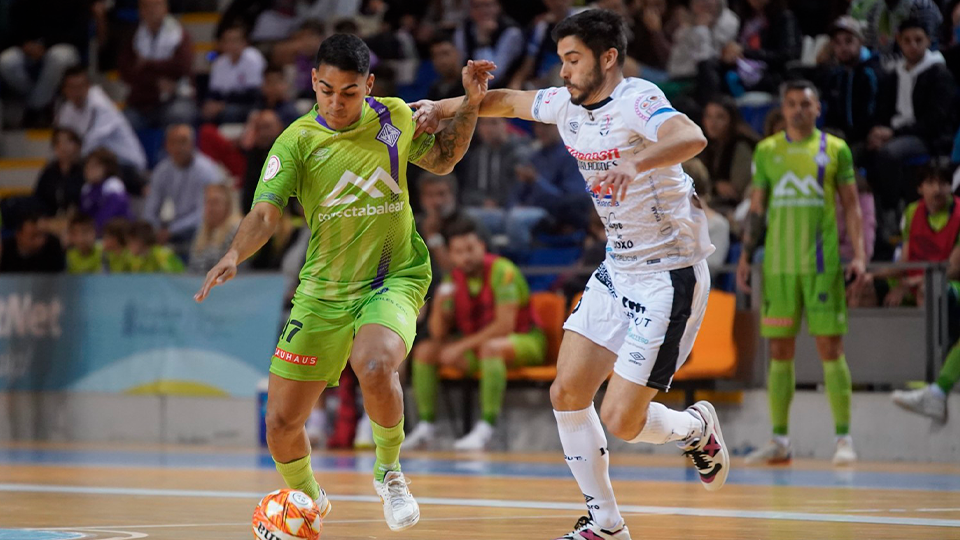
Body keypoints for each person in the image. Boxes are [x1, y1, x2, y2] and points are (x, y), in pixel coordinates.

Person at [411, 10, 728, 540]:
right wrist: (442, 107)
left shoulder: (637, 99)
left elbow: (690, 136)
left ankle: (696, 427)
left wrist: (637, 163)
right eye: (561, 60)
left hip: (668, 277)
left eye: (574, 60)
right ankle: (606, 524)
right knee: (566, 393)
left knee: (623, 420)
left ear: (607, 59)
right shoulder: (567, 105)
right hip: (617, 269)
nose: (563, 71)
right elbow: (504, 101)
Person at [193, 33, 490, 532]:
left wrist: (472, 106)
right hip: (324, 290)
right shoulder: (296, 142)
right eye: (326, 90)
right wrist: (233, 252)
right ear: (313, 81)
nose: (336, 102)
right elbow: (265, 214)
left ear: (368, 84)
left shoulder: (394, 116)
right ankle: (310, 500)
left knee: (374, 365)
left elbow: (442, 159)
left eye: (349, 92)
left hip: (393, 276)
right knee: (281, 425)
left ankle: (389, 472)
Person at [737, 80, 867, 466]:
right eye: (791, 103)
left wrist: (859, 256)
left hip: (822, 266)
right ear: (782, 107)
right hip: (777, 267)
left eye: (805, 104)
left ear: (818, 108)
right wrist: (746, 255)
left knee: (831, 348)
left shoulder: (836, 150)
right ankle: (780, 441)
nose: (797, 110)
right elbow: (757, 209)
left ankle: (844, 439)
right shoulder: (766, 151)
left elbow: (852, 207)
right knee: (779, 351)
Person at [407, 219, 547, 450]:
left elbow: (505, 326)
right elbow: (438, 333)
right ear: (451, 256)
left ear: (482, 246)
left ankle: (486, 429)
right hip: (479, 348)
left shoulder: (503, 271)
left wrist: (460, 347)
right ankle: (426, 427)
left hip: (526, 341)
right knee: (425, 351)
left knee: (490, 348)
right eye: (459, 252)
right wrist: (440, 306)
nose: (466, 257)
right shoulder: (453, 280)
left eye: (470, 249)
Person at [866, 19, 956, 215]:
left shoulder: (939, 75)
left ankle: (891, 210)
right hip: (896, 131)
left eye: (918, 40)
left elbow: (935, 120)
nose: (912, 45)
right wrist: (877, 130)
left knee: (889, 154)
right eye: (907, 40)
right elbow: (883, 109)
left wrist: (892, 133)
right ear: (899, 41)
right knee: (861, 148)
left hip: (927, 137)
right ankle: (871, 213)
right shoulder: (893, 74)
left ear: (928, 41)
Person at [144, 124, 222, 259]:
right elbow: (150, 210)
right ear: (166, 145)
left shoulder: (206, 170)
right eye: (173, 142)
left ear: (192, 144)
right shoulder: (162, 171)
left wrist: (171, 231)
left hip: (201, 227)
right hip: (174, 227)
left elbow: (204, 213)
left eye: (183, 142)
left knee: (200, 229)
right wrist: (156, 230)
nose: (178, 148)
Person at [119, 0, 196, 130]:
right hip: (142, 100)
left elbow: (182, 66)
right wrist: (155, 82)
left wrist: (147, 64)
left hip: (176, 96)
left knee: (178, 116)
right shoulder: (133, 36)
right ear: (140, 11)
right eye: (146, 6)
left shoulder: (179, 35)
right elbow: (127, 72)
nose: (152, 10)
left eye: (156, 5)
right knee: (122, 123)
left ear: (165, 8)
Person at [57, 67, 148, 173]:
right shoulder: (66, 109)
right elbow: (61, 138)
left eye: (81, 86)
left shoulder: (100, 105)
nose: (77, 92)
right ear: (64, 89)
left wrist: (67, 155)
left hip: (127, 165)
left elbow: (90, 143)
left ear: (88, 87)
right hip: (98, 162)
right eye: (73, 87)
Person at [816, 16, 882, 147]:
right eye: (837, 43)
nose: (843, 48)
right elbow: (830, 112)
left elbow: (871, 115)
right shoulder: (836, 75)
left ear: (861, 41)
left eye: (848, 41)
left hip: (866, 139)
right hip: (839, 136)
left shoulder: (872, 73)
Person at [699, 96, 759, 208]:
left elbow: (736, 190)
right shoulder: (702, 145)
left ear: (731, 120)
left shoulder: (741, 146)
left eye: (720, 117)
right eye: (709, 116)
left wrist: (713, 187)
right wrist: (715, 186)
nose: (713, 123)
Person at [202, 23, 267, 124]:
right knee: (203, 112)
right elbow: (214, 92)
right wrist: (211, 104)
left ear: (244, 42)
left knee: (229, 112)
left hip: (250, 104)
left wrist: (222, 104)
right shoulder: (220, 62)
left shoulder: (252, 58)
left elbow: (253, 93)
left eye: (235, 40)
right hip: (227, 103)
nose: (231, 45)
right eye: (227, 41)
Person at [188, 183, 242, 274]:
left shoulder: (235, 231)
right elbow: (192, 268)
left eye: (215, 202)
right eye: (208, 202)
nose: (211, 208)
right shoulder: (200, 233)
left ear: (227, 205)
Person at [33, 128, 85, 217]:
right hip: (50, 219)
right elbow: (38, 198)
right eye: (58, 142)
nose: (63, 146)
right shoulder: (49, 172)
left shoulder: (85, 171)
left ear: (77, 145)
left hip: (79, 219)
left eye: (68, 141)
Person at [80, 148, 132, 234]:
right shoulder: (87, 189)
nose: (88, 169)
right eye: (87, 166)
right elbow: (83, 216)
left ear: (107, 167)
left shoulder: (114, 186)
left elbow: (106, 219)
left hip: (117, 235)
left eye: (94, 166)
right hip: (91, 235)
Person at [0, 211, 66, 273]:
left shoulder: (53, 246)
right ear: (19, 235)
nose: (40, 240)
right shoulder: (5, 249)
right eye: (33, 236)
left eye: (42, 235)